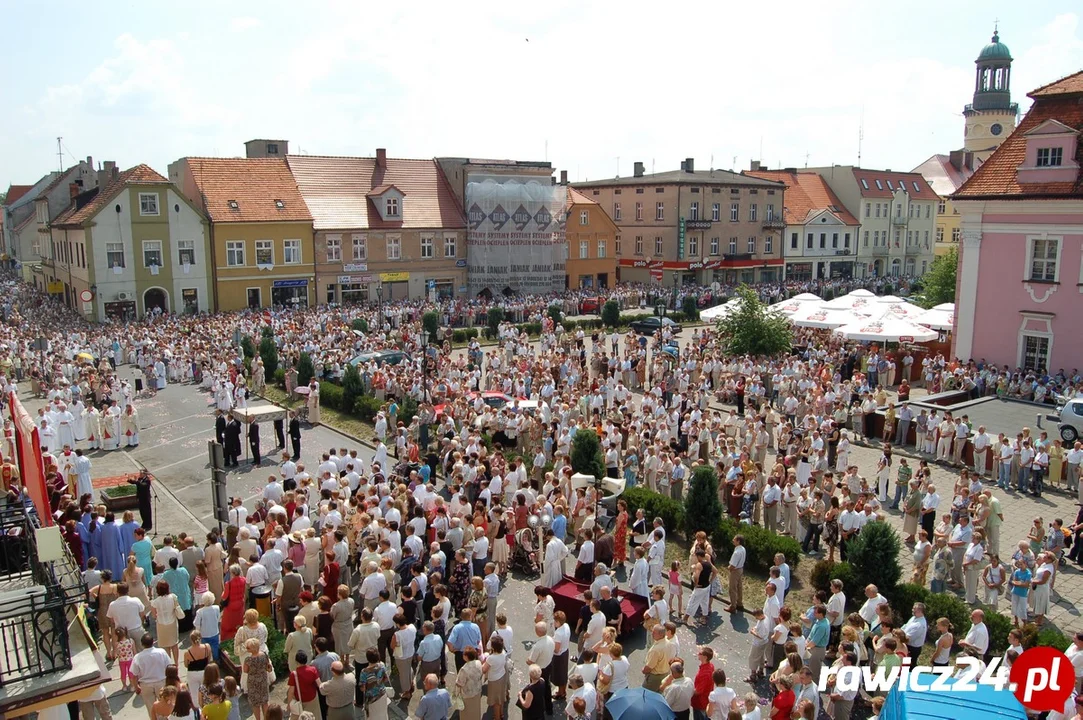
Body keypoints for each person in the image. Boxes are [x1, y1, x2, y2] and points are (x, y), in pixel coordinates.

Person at [130, 634, 171, 720]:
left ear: (142, 644)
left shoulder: (138, 657)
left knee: (151, 708)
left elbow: (134, 674)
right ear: (153, 642)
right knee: (164, 705)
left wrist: (136, 686)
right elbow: (169, 666)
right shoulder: (161, 652)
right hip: (161, 682)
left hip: (146, 685)